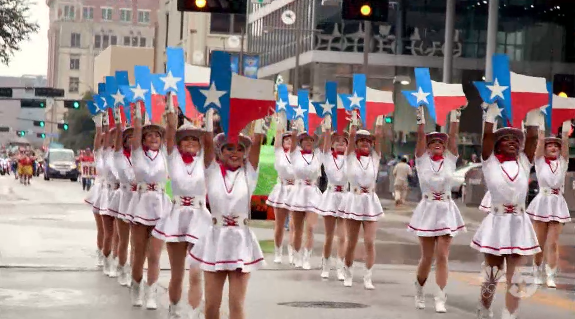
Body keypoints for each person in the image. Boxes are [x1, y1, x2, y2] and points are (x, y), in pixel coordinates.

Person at [187, 111, 266, 319]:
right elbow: (206, 141)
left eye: (240, 149)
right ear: (219, 152)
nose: (234, 153)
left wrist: (258, 115)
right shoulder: (211, 171)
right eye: (229, 148)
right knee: (212, 306)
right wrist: (210, 113)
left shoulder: (250, 173)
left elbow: (257, 144)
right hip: (216, 239)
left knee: (236, 304)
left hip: (241, 240)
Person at [472, 105, 540, 319]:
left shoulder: (523, 161)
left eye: (515, 139)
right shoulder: (489, 162)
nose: (512, 141)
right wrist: (491, 115)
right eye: (506, 139)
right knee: (492, 274)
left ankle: (510, 314)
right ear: (497, 145)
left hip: (519, 222)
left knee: (515, 274)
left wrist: (532, 113)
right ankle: (484, 306)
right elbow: (486, 137)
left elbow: (532, 140)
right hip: (497, 221)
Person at [152, 104, 208, 319]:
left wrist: (209, 117)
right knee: (177, 273)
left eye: (195, 139)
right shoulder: (172, 157)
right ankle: (174, 310)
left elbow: (211, 142)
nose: (191, 142)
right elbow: (169, 137)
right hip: (176, 216)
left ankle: (193, 313)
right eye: (186, 139)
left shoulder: (206, 159)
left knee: (196, 272)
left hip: (199, 216)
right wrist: (172, 121)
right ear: (179, 142)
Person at [408, 107, 466, 313]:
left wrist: (454, 116)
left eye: (440, 142)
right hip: (427, 210)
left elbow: (454, 136)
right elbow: (421, 138)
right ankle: (419, 289)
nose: (437, 145)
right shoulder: (422, 162)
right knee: (427, 257)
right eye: (433, 143)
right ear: (428, 147)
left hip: (446, 210)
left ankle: (440, 296)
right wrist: (421, 119)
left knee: (443, 255)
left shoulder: (450, 161)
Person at [126, 109, 170, 309]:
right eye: (149, 135)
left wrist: (169, 111)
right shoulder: (137, 154)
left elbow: (171, 130)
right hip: (141, 203)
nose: (153, 138)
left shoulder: (165, 155)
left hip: (160, 204)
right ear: (143, 139)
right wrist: (137, 115)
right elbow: (135, 134)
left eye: (157, 135)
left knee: (155, 255)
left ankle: (151, 292)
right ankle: (136, 286)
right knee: (139, 253)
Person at [339, 115, 386, 289]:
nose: (365, 143)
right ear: (357, 143)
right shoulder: (350, 157)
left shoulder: (375, 158)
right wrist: (353, 123)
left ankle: (368, 276)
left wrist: (379, 118)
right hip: (354, 200)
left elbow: (379, 137)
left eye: (368, 140)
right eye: (361, 141)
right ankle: (348, 271)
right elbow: (350, 139)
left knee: (369, 241)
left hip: (371, 201)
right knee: (351, 241)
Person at [527, 124, 571, 288]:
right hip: (542, 202)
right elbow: (539, 143)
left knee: (553, 243)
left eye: (556, 146)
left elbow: (565, 144)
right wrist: (540, 126)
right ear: (544, 149)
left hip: (558, 203)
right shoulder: (539, 162)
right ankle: (537, 271)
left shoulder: (562, 162)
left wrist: (565, 129)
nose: (553, 147)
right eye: (550, 145)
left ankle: (550, 274)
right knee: (539, 241)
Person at [283, 123, 321, 270]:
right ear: (300, 142)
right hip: (298, 192)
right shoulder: (295, 154)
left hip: (312, 192)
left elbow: (326, 142)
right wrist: (294, 129)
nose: (308, 142)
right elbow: (292, 142)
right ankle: (297, 255)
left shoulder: (318, 155)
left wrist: (326, 125)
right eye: (305, 139)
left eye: (311, 139)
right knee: (297, 228)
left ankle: (307, 258)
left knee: (310, 227)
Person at [314, 118, 348, 280]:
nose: (340, 143)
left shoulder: (351, 158)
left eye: (344, 141)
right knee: (329, 235)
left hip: (346, 197)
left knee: (342, 236)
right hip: (331, 195)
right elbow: (325, 145)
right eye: (337, 141)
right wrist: (327, 129)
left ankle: (340, 267)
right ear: (332, 144)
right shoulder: (327, 157)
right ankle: (325, 264)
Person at [107, 111, 136, 287]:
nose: (133, 140)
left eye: (135, 137)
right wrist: (118, 127)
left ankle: (135, 271)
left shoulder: (145, 157)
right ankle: (122, 268)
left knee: (138, 243)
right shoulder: (119, 157)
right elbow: (116, 148)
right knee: (123, 238)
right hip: (124, 197)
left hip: (141, 199)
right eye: (129, 138)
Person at [265, 117, 295, 264]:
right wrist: (279, 125)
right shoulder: (279, 153)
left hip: (296, 190)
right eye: (286, 140)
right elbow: (277, 140)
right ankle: (278, 252)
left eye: (292, 139)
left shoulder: (299, 155)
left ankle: (292, 253)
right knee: (280, 223)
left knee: (294, 225)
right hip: (282, 188)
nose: (289, 141)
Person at [84, 113, 107, 268]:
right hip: (100, 191)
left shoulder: (122, 155)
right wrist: (99, 125)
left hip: (117, 193)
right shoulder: (99, 154)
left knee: (116, 232)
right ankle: (101, 253)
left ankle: (113, 256)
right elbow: (98, 138)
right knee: (103, 229)